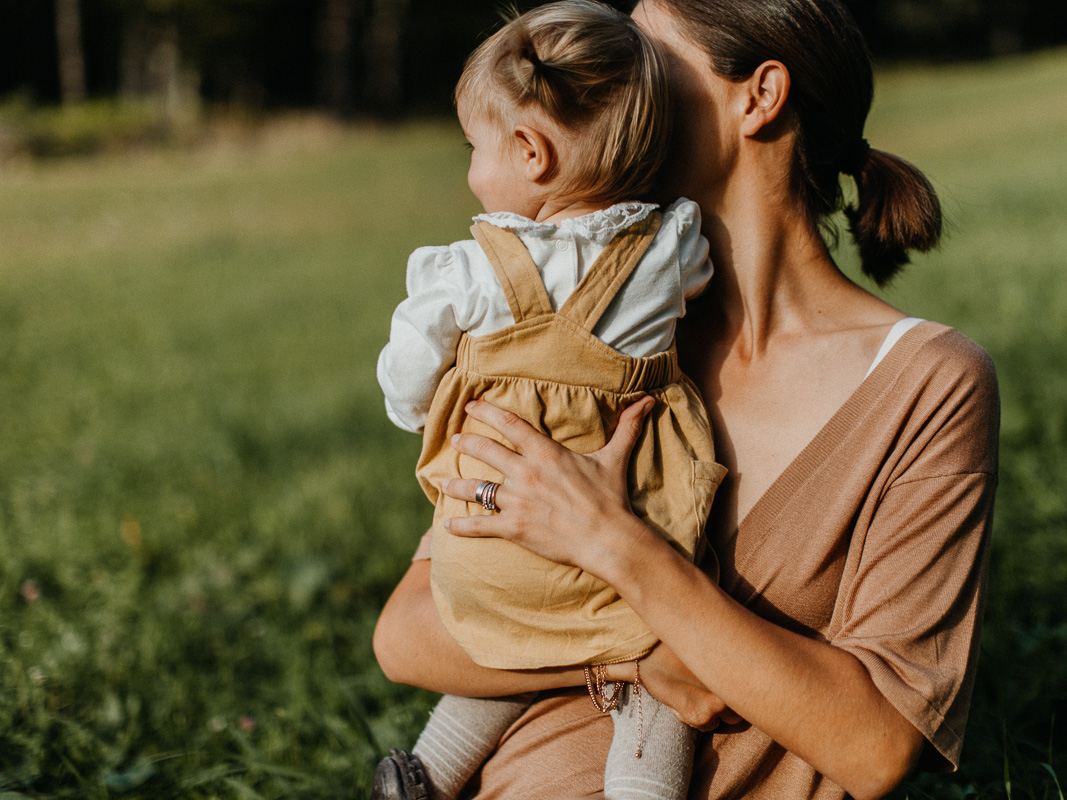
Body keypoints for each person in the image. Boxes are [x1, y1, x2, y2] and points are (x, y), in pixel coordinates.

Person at [373, 0, 1000, 798]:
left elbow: (876, 746)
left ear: (760, 96)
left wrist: (617, 547)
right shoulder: (587, 338)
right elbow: (405, 634)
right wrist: (639, 651)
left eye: (646, 60)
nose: (608, 89)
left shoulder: (929, 385)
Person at [372, 2, 723, 799]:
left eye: (475, 148)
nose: (471, 168)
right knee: (647, 664)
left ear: (529, 152)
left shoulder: (467, 271)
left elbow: (406, 375)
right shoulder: (668, 247)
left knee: (505, 637)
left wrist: (420, 411)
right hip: (630, 523)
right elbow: (697, 287)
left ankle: (428, 772)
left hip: (492, 535)